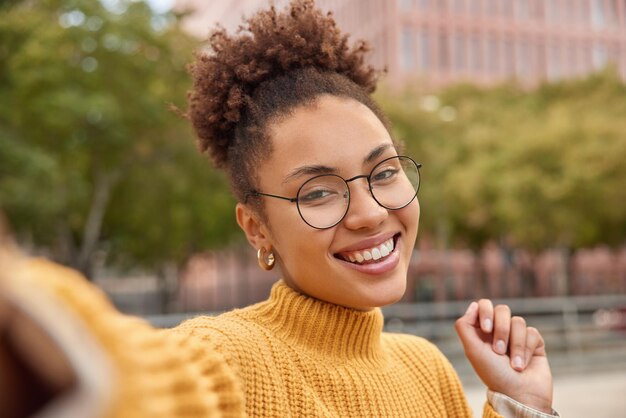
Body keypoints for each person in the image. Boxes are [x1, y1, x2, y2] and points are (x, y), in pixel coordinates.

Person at [0, 1, 557, 417]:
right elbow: (145, 381)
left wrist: (520, 404)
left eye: (383, 172)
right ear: (256, 227)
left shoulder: (426, 367)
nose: (367, 213)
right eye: (317, 192)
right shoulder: (231, 357)